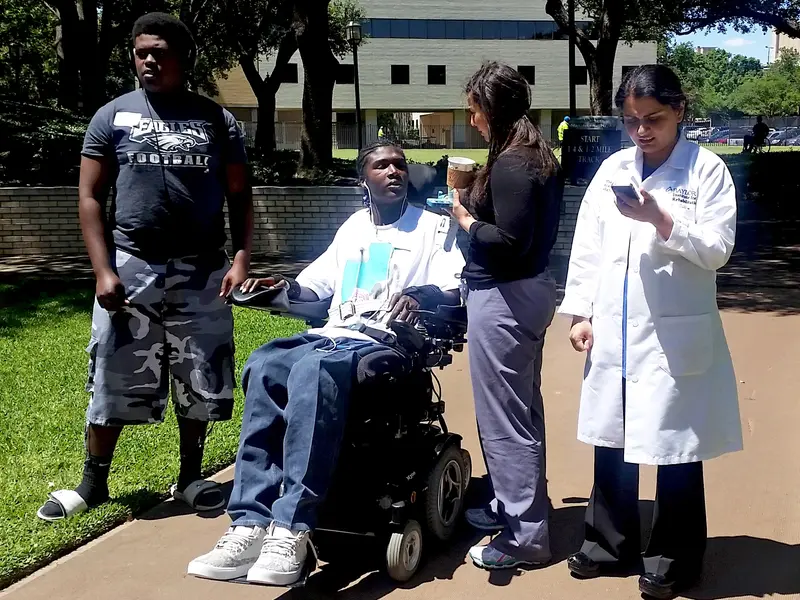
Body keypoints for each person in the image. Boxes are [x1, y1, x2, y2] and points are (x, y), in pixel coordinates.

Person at [187, 141, 465, 586]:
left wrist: (421, 296)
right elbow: (314, 288)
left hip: (390, 342)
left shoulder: (434, 229)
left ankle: (292, 528)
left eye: (399, 165)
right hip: (334, 335)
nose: (393, 171)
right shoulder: (354, 228)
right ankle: (248, 524)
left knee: (314, 371)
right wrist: (279, 288)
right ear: (364, 181)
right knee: (266, 363)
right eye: (381, 165)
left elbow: (456, 289)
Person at [37, 13, 253, 521]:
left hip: (202, 271)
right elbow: (89, 196)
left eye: (160, 51)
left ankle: (191, 478)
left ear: (185, 58)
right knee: (112, 370)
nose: (149, 60)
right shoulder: (112, 116)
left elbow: (241, 195)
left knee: (199, 375)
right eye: (141, 52)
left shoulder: (217, 120)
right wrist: (102, 270)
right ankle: (92, 483)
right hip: (133, 264)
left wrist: (241, 258)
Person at [559, 64, 742, 599]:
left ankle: (673, 558)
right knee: (611, 439)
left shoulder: (706, 171)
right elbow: (588, 245)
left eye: (654, 119)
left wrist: (662, 220)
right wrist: (581, 312)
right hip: (613, 330)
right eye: (632, 119)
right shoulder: (614, 168)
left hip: (672, 336)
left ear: (680, 110)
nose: (642, 130)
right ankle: (607, 545)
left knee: (676, 448)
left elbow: (717, 249)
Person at [449, 62, 563, 570]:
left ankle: (524, 535)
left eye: (474, 110)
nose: (472, 120)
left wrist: (466, 219)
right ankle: (514, 504)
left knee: (503, 420)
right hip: (520, 295)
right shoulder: (532, 155)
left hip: (505, 297)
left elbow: (511, 243)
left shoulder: (516, 161)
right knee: (521, 410)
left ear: (490, 110)